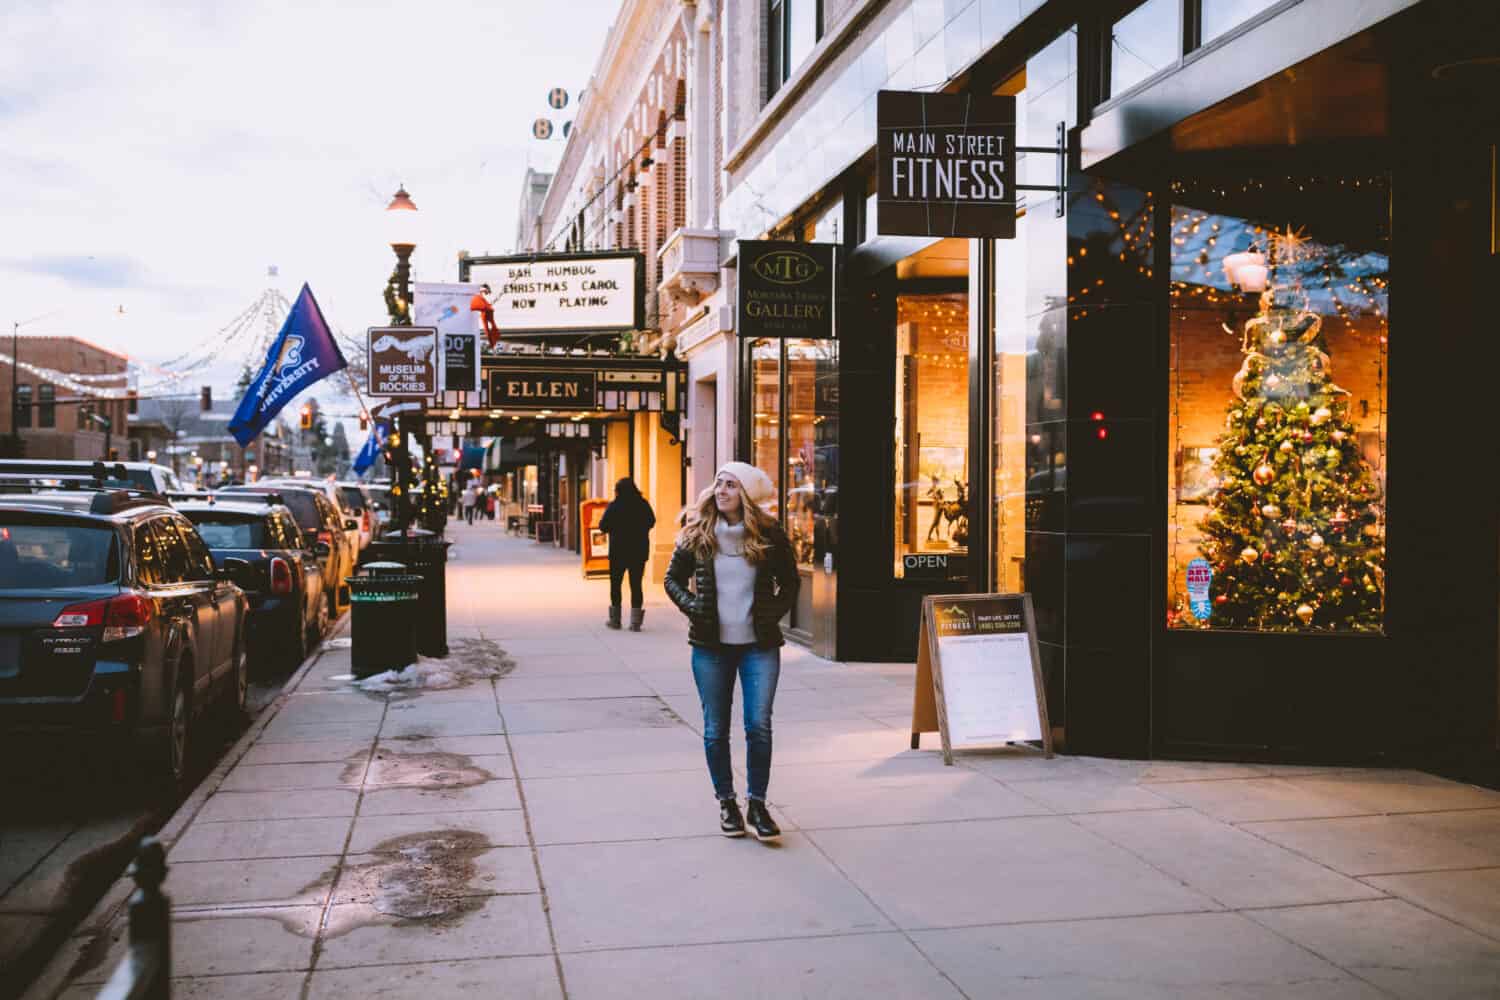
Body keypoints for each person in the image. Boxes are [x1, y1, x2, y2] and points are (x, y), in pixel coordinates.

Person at [664, 462, 799, 842]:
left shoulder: (770, 536)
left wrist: (771, 614)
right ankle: (727, 801)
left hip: (759, 647)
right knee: (715, 729)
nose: (721, 490)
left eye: (731, 485)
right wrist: (694, 607)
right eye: (719, 483)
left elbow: (789, 583)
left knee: (758, 725)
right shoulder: (698, 534)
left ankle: (757, 803)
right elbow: (671, 579)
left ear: (748, 496)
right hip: (711, 647)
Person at [597, 478, 656, 631]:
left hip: (618, 551)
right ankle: (635, 623)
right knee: (636, 585)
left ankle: (615, 621)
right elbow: (651, 521)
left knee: (615, 585)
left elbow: (603, 526)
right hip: (638, 551)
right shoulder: (642, 504)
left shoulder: (614, 506)